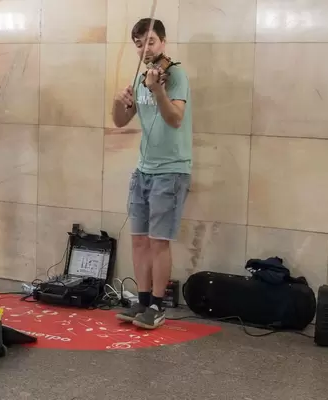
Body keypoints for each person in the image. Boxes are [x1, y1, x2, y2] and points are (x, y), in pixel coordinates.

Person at [112, 18, 192, 330]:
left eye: (150, 42)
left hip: (170, 170)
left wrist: (158, 91)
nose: (144, 49)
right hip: (143, 169)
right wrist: (118, 102)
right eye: (138, 44)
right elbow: (120, 121)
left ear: (163, 42)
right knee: (139, 239)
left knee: (159, 241)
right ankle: (142, 301)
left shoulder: (176, 75)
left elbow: (175, 119)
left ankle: (157, 305)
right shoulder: (140, 78)